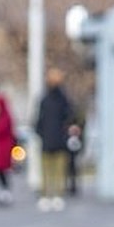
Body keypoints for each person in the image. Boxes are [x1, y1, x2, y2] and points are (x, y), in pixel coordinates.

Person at [34, 68, 73, 211]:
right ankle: (56, 196)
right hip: (59, 140)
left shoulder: (45, 99)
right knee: (58, 171)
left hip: (48, 140)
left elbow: (38, 121)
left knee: (47, 171)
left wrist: (41, 134)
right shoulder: (64, 100)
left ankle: (47, 196)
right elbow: (69, 118)